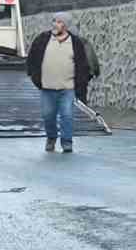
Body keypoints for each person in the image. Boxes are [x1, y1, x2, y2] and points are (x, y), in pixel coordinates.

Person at [27, 13, 96, 154]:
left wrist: (80, 85)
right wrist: (34, 77)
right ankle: (51, 138)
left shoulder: (75, 42)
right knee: (48, 115)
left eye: (59, 22)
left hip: (67, 88)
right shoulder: (42, 39)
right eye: (54, 21)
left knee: (67, 115)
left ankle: (67, 142)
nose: (55, 24)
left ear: (65, 25)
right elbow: (32, 59)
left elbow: (82, 65)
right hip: (47, 87)